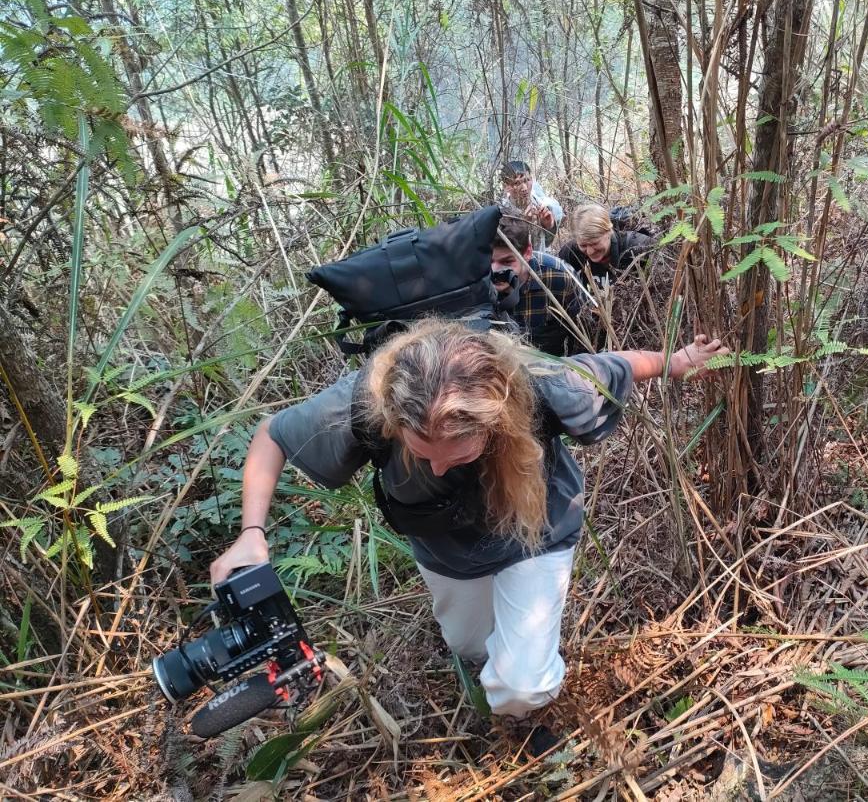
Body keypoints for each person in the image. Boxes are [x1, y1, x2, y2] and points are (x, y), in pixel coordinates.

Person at [209, 319, 728, 748]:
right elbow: (272, 435)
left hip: (535, 532)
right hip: (445, 550)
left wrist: (677, 360)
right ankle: (486, 661)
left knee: (523, 684)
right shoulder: (367, 401)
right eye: (421, 452)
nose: (437, 470)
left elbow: (619, 365)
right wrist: (250, 533)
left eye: (455, 455)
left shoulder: (541, 384)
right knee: (469, 642)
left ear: (495, 421)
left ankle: (517, 718)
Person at [491, 210, 589, 357]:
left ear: (528, 252)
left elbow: (585, 335)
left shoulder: (561, 277)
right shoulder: (473, 281)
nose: (494, 271)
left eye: (506, 262)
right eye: (488, 261)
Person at [558, 204, 656, 287]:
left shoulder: (641, 247)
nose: (590, 251)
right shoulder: (570, 254)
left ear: (609, 231)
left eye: (595, 243)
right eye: (583, 245)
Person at [500, 160, 563, 249]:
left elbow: (546, 243)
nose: (524, 188)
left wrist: (548, 225)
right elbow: (505, 249)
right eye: (517, 183)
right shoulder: (502, 213)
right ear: (506, 186)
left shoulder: (540, 204)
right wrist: (523, 226)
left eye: (527, 180)